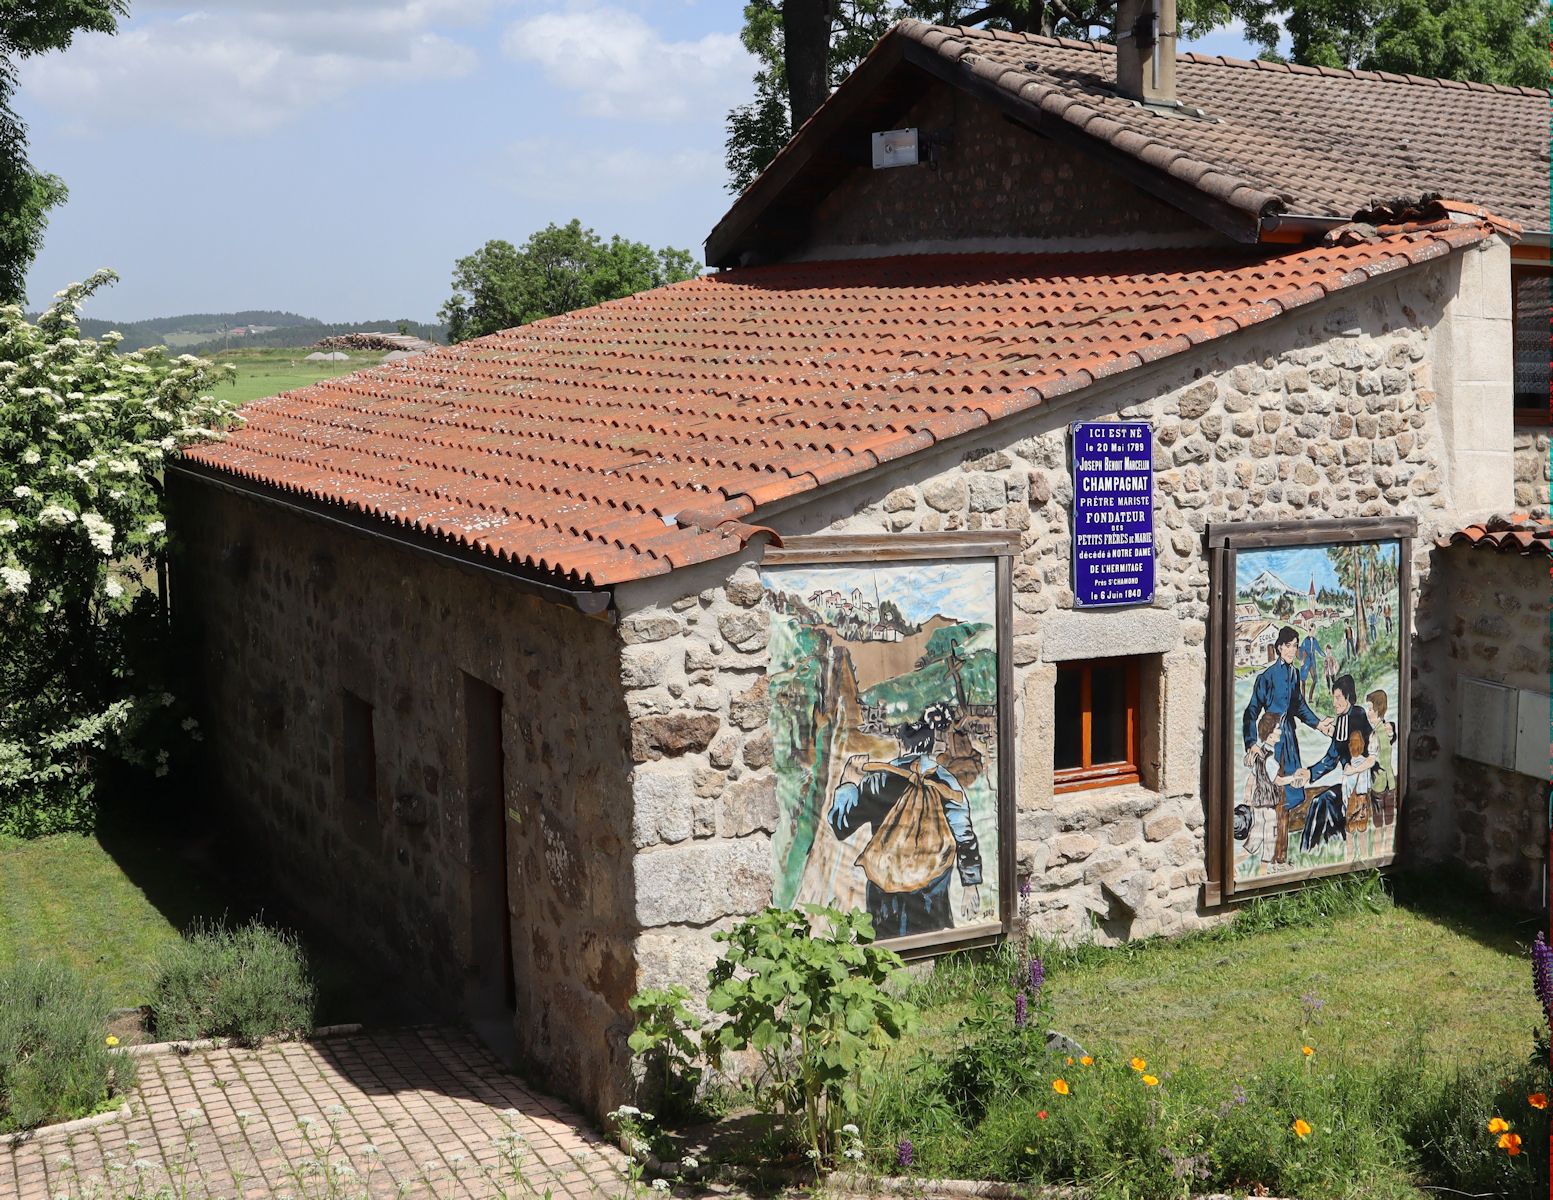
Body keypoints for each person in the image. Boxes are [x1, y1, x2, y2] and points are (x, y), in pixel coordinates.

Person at [828, 710, 983, 938]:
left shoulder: (879, 780)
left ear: (901, 742)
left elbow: (841, 825)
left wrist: (849, 782)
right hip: (933, 881)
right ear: (931, 744)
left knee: (885, 938)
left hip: (885, 882)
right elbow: (964, 834)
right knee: (934, 933)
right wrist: (971, 883)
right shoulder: (947, 783)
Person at [1242, 626, 1335, 817]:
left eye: (1295, 646)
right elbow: (1251, 711)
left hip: (1289, 735)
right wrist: (1251, 743)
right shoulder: (1266, 677)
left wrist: (1318, 724)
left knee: (1294, 792)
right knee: (1272, 785)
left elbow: (1298, 706)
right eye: (1288, 646)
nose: (1293, 650)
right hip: (1272, 735)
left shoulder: (1294, 674)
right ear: (1279, 648)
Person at [1290, 675, 1373, 853]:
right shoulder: (1343, 719)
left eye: (1338, 698)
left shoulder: (1357, 714)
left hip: (1361, 784)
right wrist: (1309, 773)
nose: (1334, 703)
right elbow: (1331, 757)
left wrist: (1334, 733)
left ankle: (1309, 850)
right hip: (1348, 783)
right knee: (1321, 800)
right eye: (1333, 698)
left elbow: (1360, 745)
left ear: (1348, 697)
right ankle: (1310, 850)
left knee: (1324, 799)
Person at [1365, 689, 1396, 826]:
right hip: (1390, 782)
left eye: (1370, 709)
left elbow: (1371, 760)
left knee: (1378, 823)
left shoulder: (1374, 735)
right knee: (1390, 821)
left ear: (1378, 709)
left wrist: (1353, 769)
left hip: (1378, 785)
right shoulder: (1388, 729)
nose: (1368, 712)